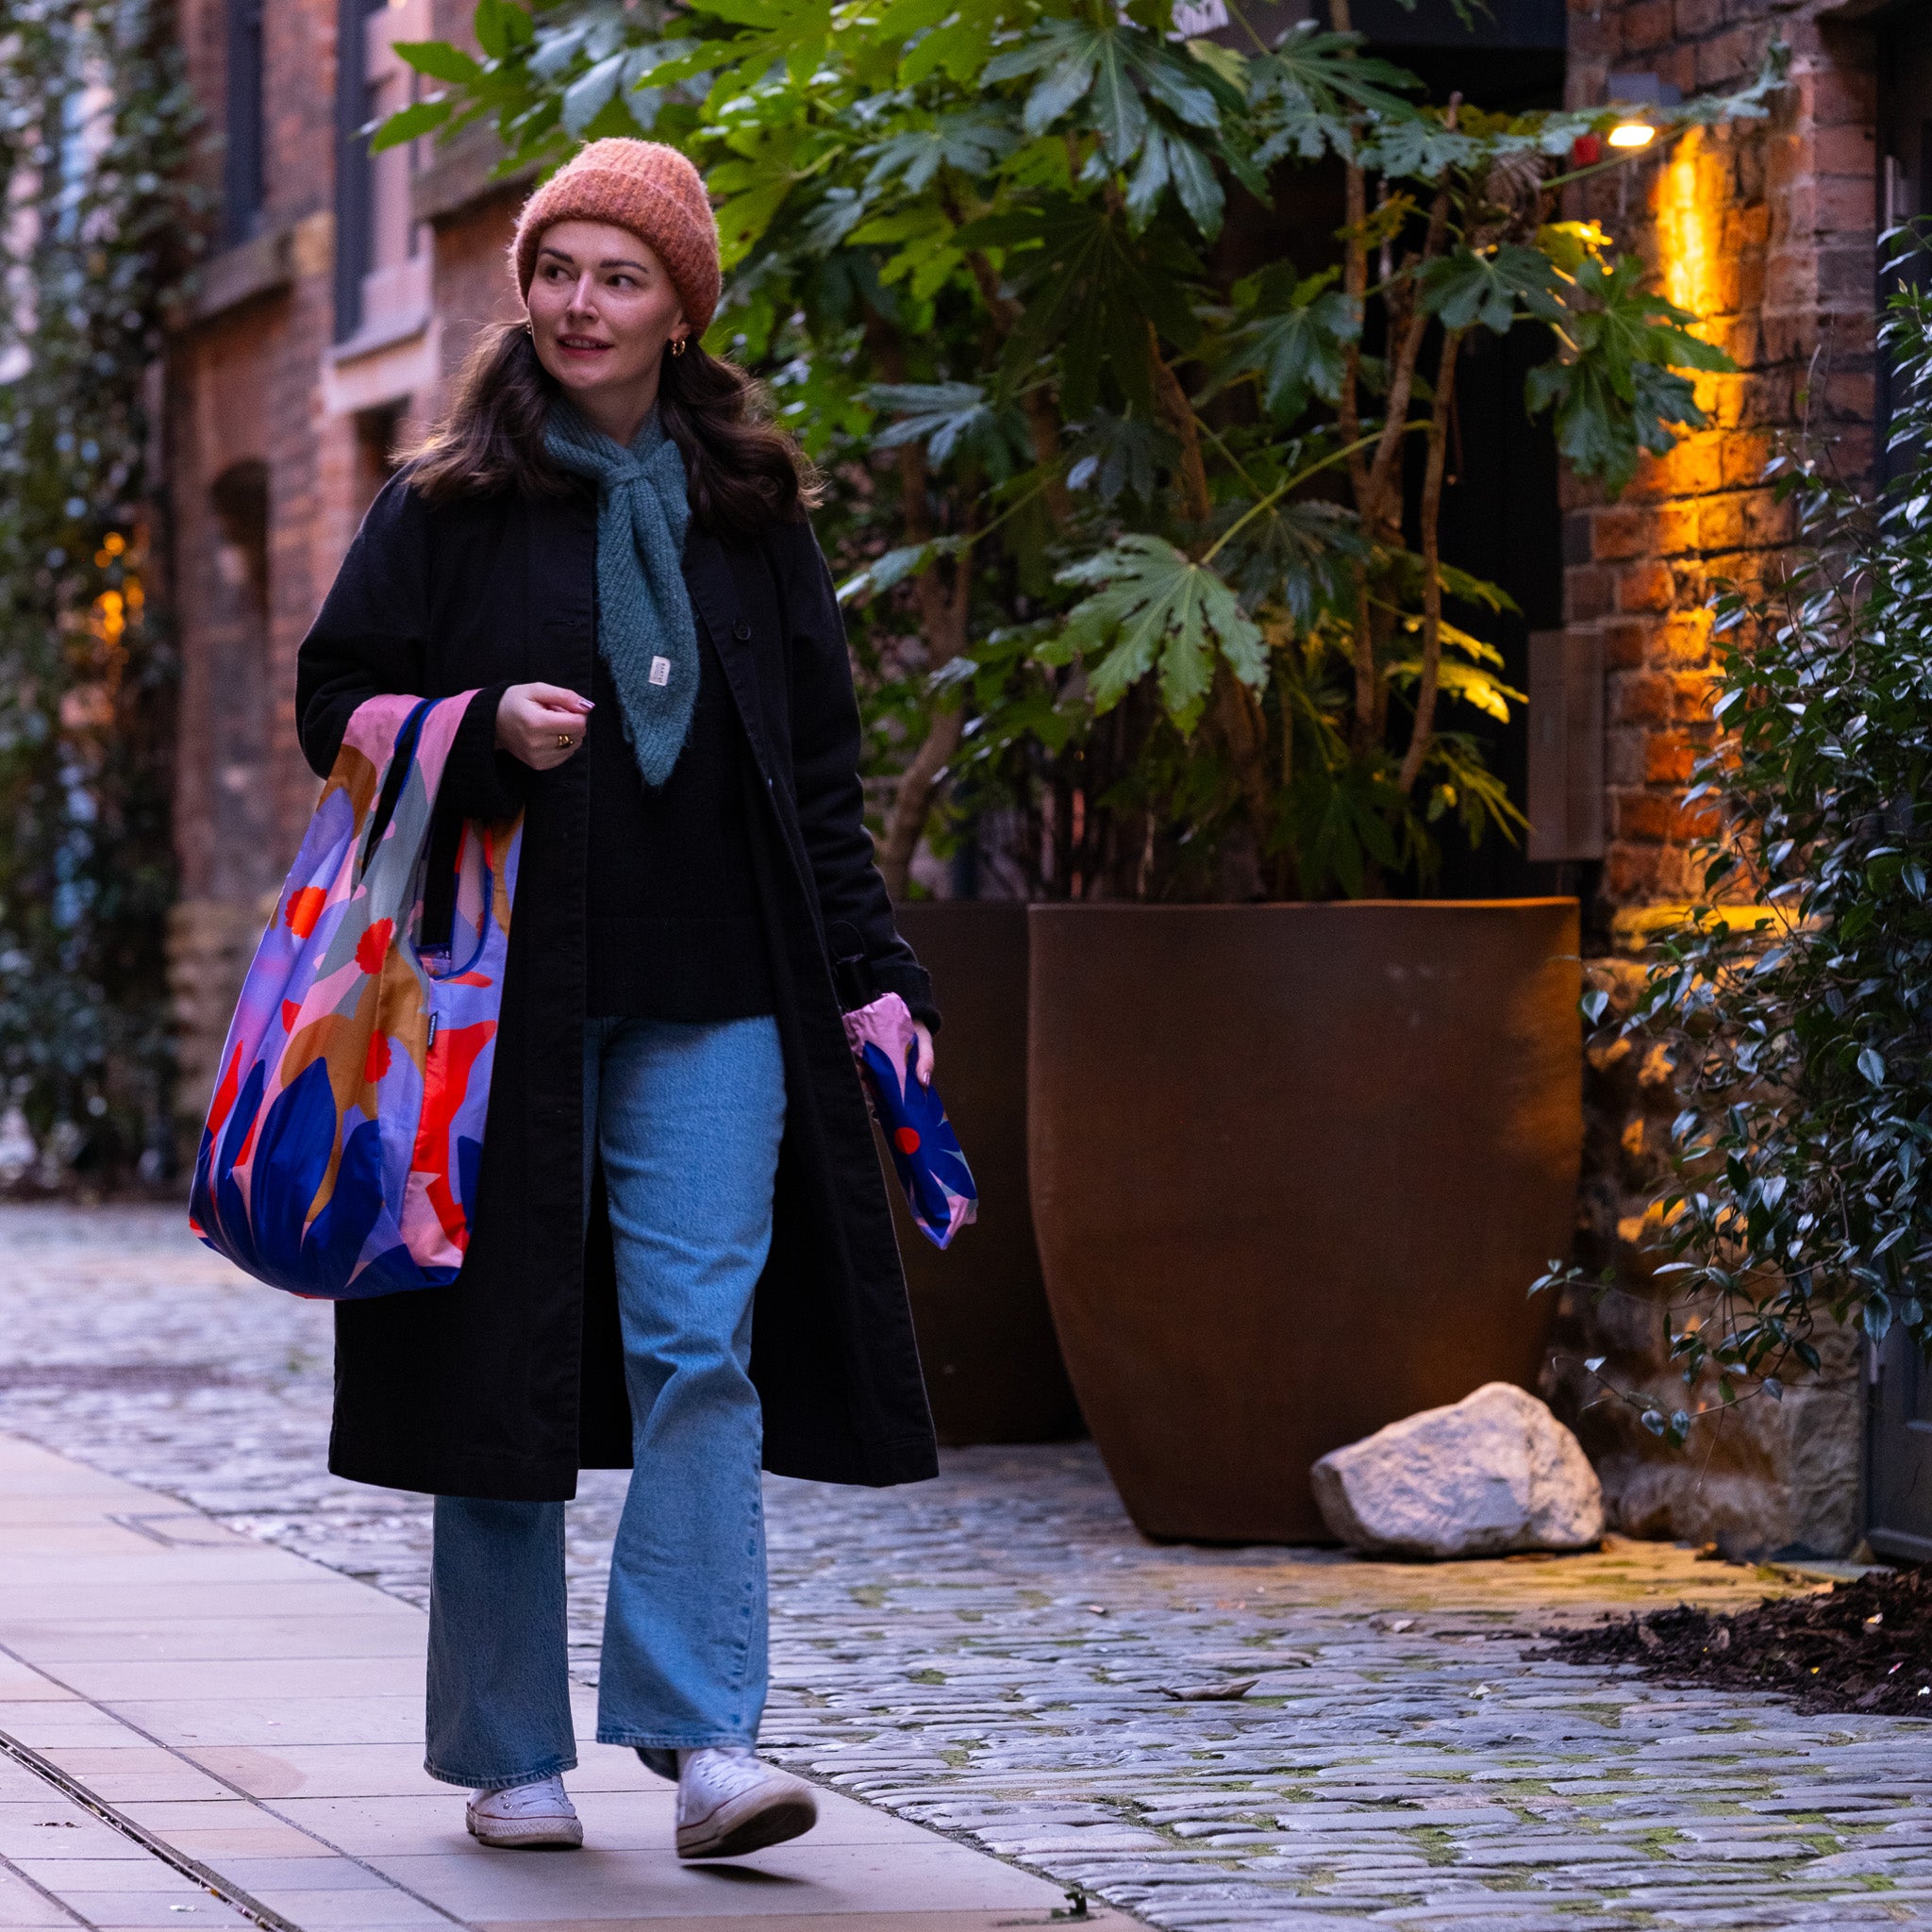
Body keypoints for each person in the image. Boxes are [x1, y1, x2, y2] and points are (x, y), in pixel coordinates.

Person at [294, 138, 940, 1862]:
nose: (581, 304)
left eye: (619, 276)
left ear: (679, 309)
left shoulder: (750, 510)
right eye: (559, 269)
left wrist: (879, 981)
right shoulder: (445, 503)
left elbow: (817, 773)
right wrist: (477, 725)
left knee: (698, 1349)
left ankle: (705, 1734)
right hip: (489, 1001)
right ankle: (509, 1750)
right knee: (499, 1357)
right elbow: (337, 703)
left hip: (721, 991)